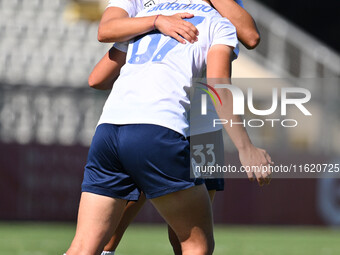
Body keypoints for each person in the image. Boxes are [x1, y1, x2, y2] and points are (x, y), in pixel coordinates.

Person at [65, 1, 271, 254]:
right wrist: (245, 146)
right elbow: (222, 81)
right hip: (166, 127)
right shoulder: (218, 22)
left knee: (86, 245)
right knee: (196, 243)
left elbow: (97, 78)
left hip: (113, 126)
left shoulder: (146, 13)